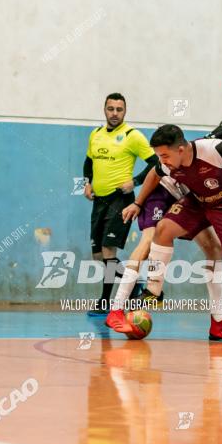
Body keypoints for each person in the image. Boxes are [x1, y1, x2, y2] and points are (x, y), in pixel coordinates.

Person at [111, 119, 222, 340]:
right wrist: (138, 203)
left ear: (180, 149)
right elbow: (155, 172)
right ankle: (152, 292)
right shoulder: (216, 142)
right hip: (197, 200)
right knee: (163, 229)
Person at [82, 93, 159, 316]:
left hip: (121, 201)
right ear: (104, 109)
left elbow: (156, 164)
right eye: (110, 109)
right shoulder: (95, 135)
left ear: (125, 112)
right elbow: (88, 161)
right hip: (99, 201)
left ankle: (105, 301)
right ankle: (134, 283)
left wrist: (134, 182)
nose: (114, 113)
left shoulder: (132, 136)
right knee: (98, 256)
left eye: (119, 109)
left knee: (108, 250)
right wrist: (88, 183)